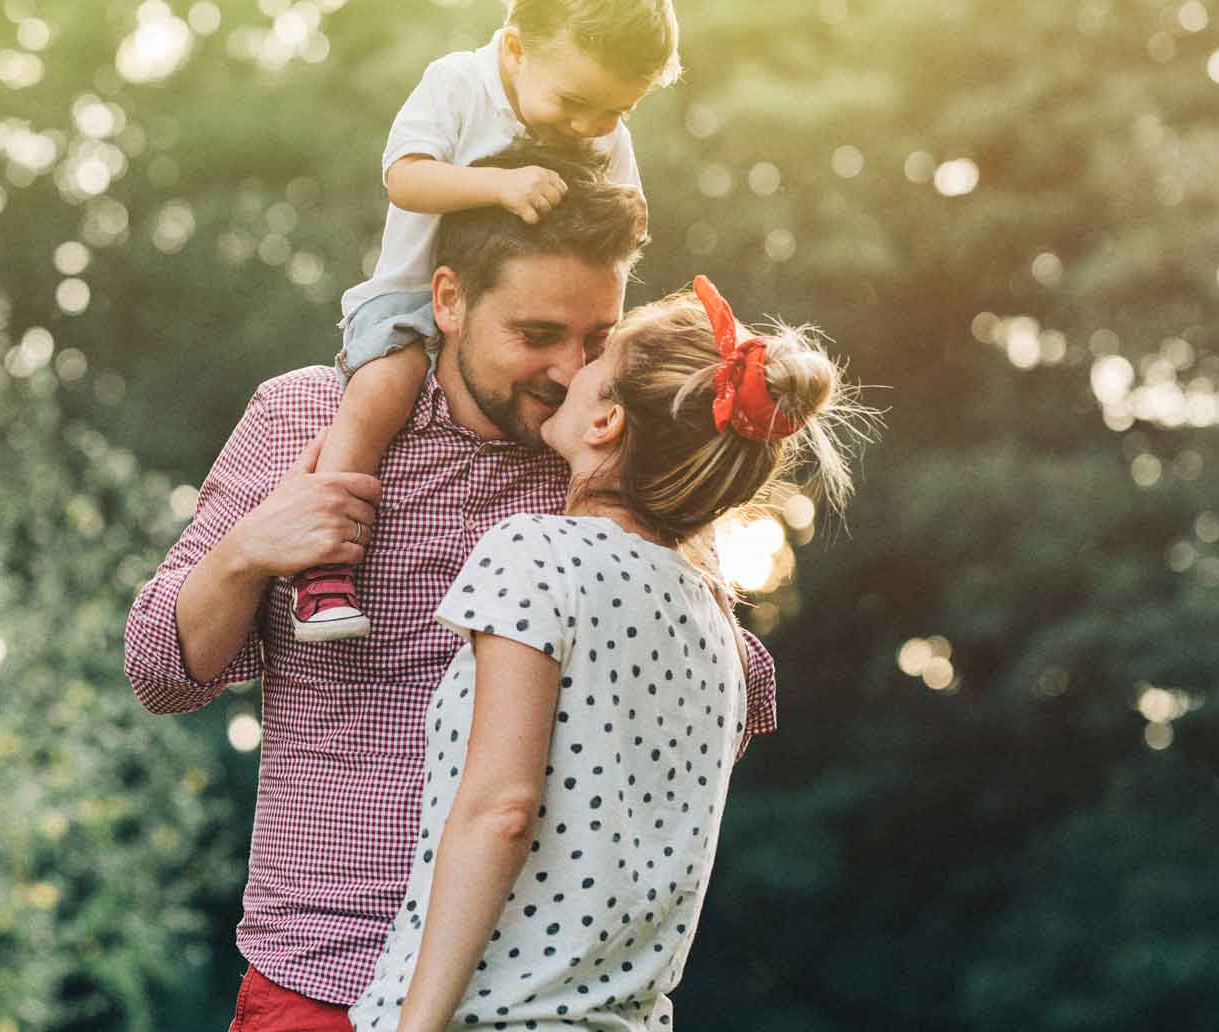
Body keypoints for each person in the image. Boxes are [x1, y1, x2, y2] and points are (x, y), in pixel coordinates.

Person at [122, 142, 778, 1031]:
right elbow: (162, 672)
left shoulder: (601, 477)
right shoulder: (308, 418)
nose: (564, 370)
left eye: (594, 340)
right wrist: (248, 551)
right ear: (448, 301)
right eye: (535, 334)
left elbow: (731, 699)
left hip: (518, 995)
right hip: (323, 970)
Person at [349, 277, 868, 1031]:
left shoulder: (535, 555)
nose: (569, 369)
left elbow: (501, 810)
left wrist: (415, 1024)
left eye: (595, 359)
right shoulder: (721, 633)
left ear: (605, 420)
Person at [292, 0, 683, 643]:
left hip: (513, 290)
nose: (590, 126)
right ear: (514, 51)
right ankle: (323, 566)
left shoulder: (602, 131)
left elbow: (621, 224)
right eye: (573, 102)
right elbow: (406, 179)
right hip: (409, 296)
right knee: (380, 393)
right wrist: (500, 188)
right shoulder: (458, 85)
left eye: (615, 111)